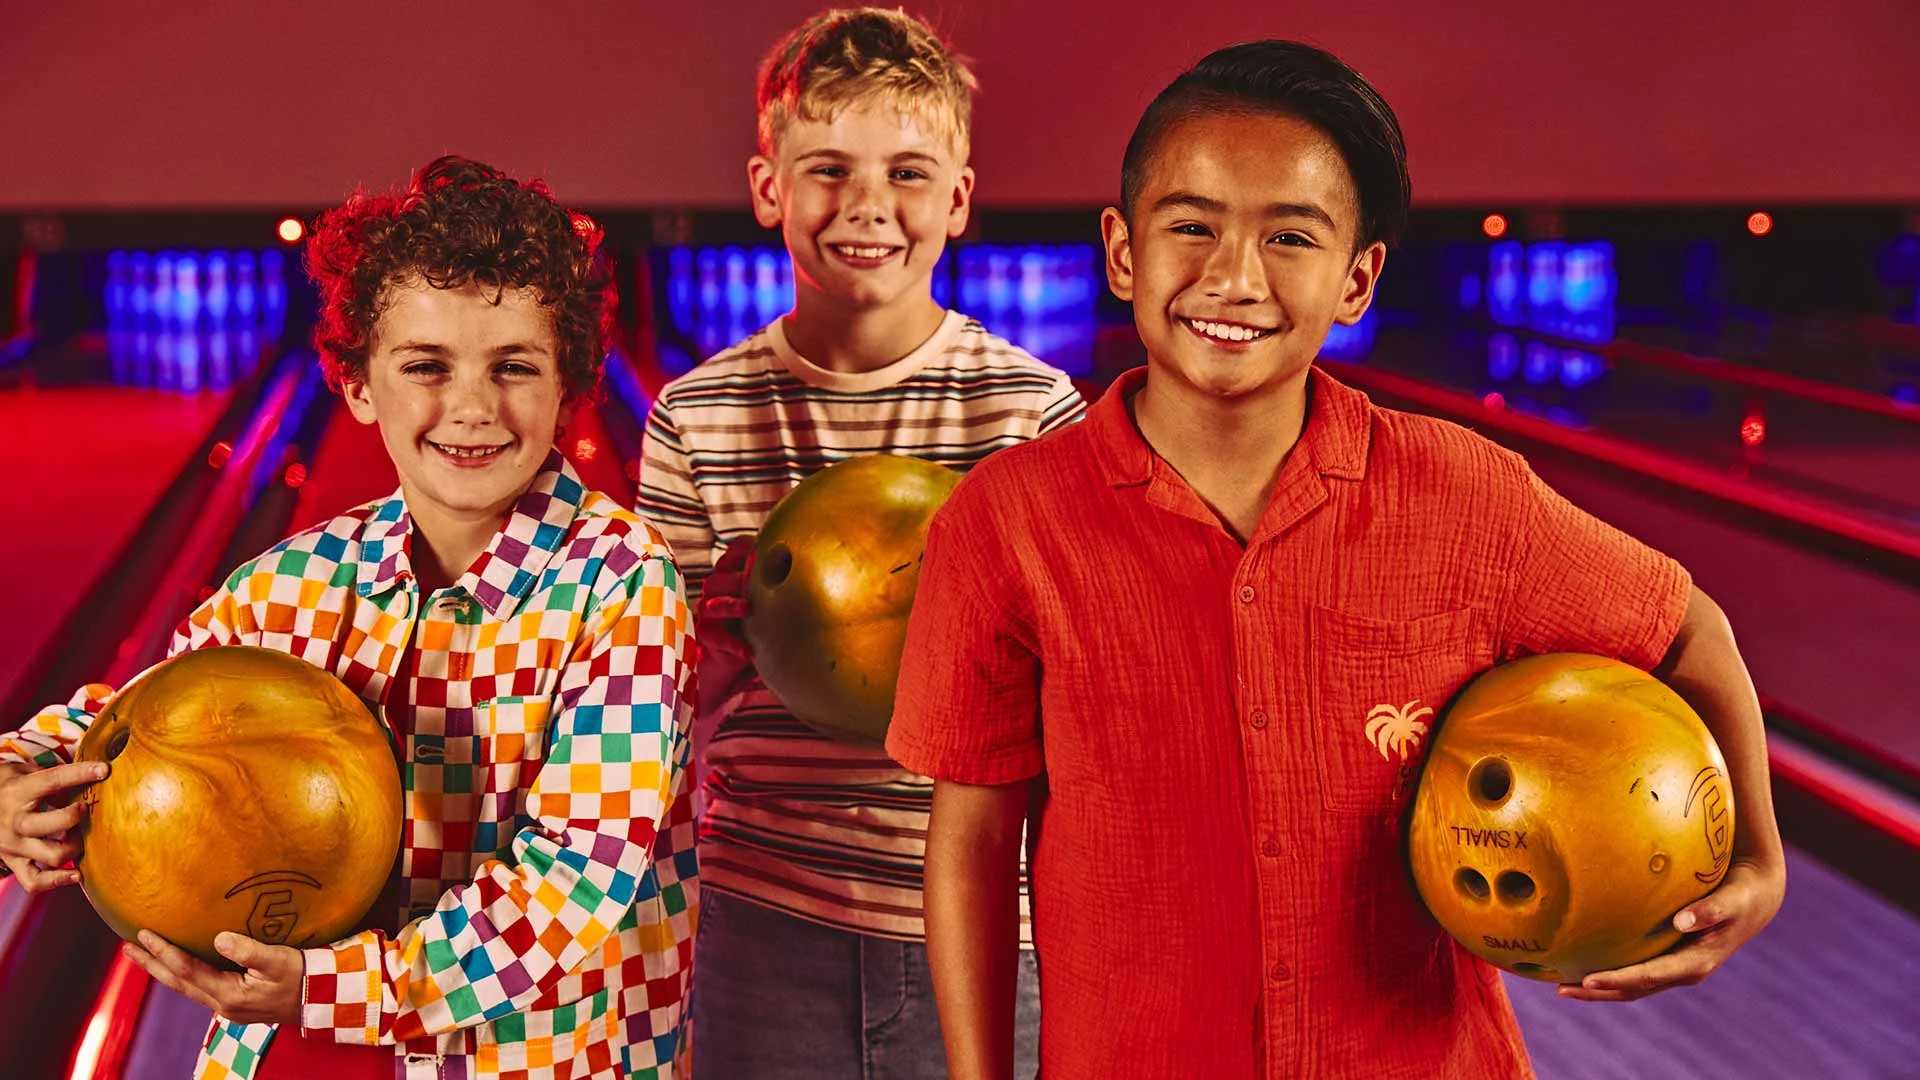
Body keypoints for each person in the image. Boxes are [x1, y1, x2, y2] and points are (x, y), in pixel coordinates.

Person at [886, 40, 1787, 1080]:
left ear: (1357, 280)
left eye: (1290, 237)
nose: (1234, 277)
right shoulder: (1006, 522)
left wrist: (1758, 863)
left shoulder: (1463, 493)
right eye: (1192, 226)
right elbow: (973, 842)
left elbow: (1688, 630)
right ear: (1123, 251)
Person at [0, 156, 698, 1080]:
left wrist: (323, 989)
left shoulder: (622, 582)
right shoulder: (298, 578)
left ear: (569, 389)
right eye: (426, 366)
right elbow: (141, 719)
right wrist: (21, 777)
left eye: (514, 367)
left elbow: (574, 886)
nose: (472, 407)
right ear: (358, 384)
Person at [634, 8, 1082, 1078]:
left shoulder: (1031, 414)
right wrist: (714, 646)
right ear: (768, 188)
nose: (868, 205)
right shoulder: (696, 417)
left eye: (908, 174)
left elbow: (1081, 692)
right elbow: (658, 707)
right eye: (827, 169)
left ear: (958, 199)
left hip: (983, 911)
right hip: (761, 910)